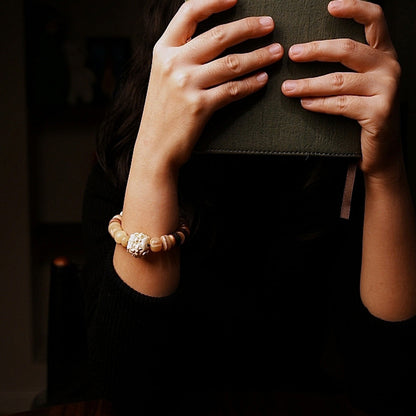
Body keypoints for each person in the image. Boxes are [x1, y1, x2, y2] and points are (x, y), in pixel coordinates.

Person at [80, 0, 416, 414]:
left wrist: (385, 173)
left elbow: (391, 389)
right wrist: (154, 159)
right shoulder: (125, 143)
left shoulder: (375, 136)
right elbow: (125, 388)